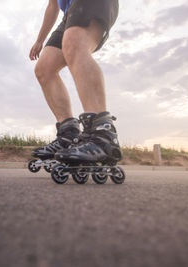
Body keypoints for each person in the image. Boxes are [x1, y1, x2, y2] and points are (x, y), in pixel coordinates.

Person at [29, 0, 122, 165]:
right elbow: (52, 5)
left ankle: (103, 136)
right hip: (69, 12)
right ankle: (68, 135)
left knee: (75, 43)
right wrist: (39, 40)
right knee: (44, 69)